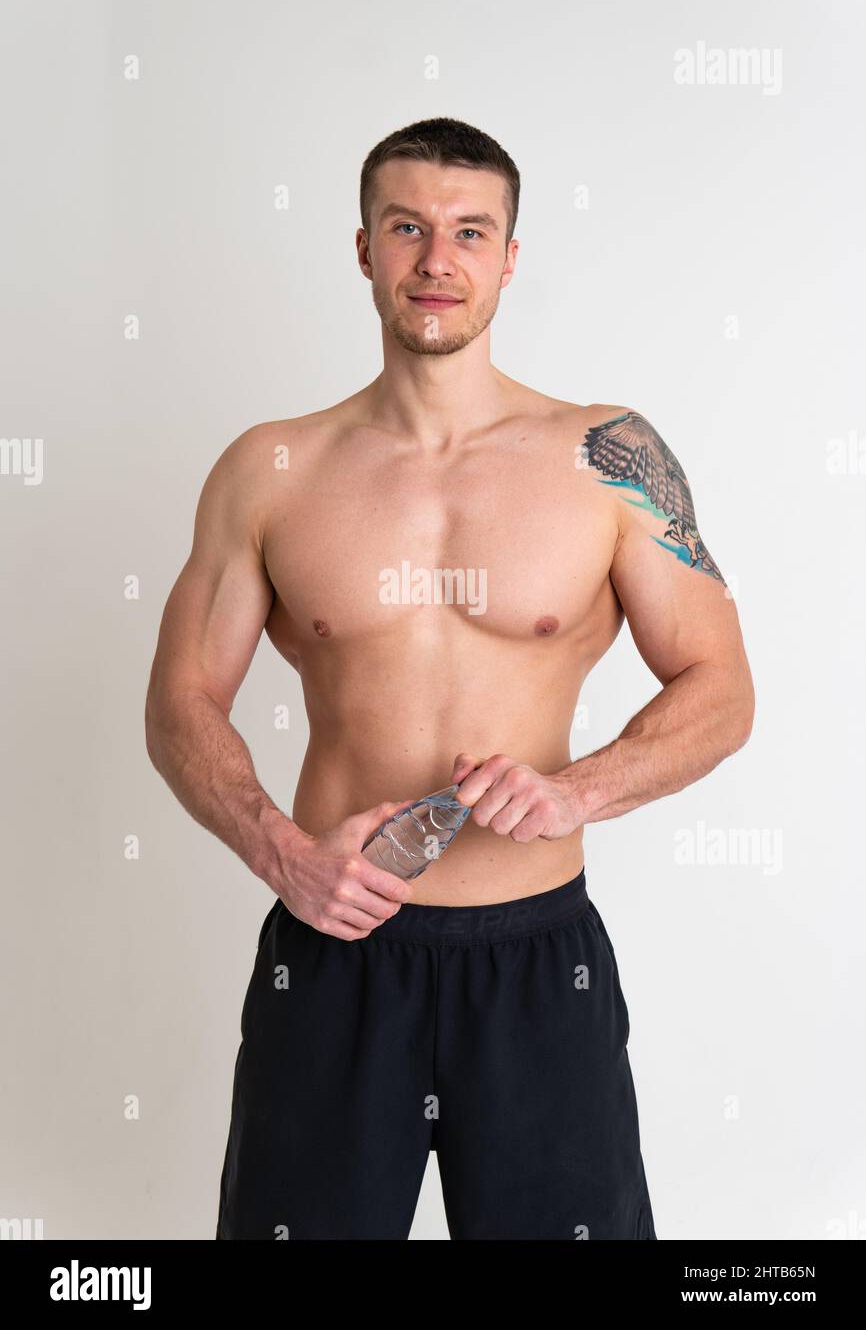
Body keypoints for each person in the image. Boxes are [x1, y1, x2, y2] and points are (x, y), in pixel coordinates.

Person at [144, 116, 754, 1240]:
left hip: (534, 961)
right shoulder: (269, 468)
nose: (437, 260)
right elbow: (180, 700)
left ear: (509, 256)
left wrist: (579, 790)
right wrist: (282, 852)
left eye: (470, 232)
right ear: (364, 247)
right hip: (334, 953)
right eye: (407, 227)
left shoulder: (607, 458)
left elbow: (719, 685)